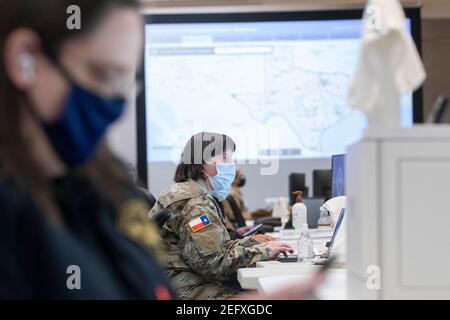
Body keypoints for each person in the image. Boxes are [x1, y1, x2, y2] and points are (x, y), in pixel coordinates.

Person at [0, 0, 174, 299]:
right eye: (103, 75)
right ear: (24, 59)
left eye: (124, 82)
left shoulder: (107, 179)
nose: (115, 105)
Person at [149, 132, 294, 300]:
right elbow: (213, 264)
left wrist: (255, 243)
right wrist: (263, 251)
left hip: (189, 284)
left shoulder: (192, 193)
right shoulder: (194, 203)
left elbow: (219, 247)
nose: (231, 165)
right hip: (188, 291)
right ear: (203, 164)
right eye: (225, 158)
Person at [222, 168, 275, 242]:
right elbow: (233, 216)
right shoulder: (232, 193)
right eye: (241, 176)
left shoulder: (236, 192)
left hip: (236, 232)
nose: (243, 179)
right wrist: (257, 214)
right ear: (233, 179)